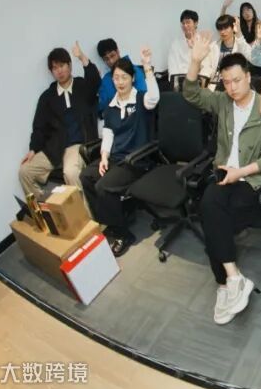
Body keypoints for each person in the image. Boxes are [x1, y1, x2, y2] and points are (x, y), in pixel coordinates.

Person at [182, 37, 261, 325]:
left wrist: (240, 173)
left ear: (249, 78)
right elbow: (190, 94)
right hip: (223, 174)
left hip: (251, 179)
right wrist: (195, 61)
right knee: (213, 213)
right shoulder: (223, 101)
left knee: (210, 207)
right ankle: (231, 280)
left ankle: (226, 282)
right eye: (226, 82)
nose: (231, 87)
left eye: (237, 81)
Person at [79, 49, 159, 256]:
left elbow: (154, 97)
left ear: (132, 78)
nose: (120, 82)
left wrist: (147, 67)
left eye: (124, 77)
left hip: (136, 160)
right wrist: (104, 157)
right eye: (116, 78)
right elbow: (108, 134)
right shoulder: (111, 106)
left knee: (103, 187)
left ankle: (124, 234)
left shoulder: (141, 99)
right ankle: (110, 221)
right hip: (116, 158)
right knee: (86, 176)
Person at [20, 43, 100, 198]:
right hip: (55, 148)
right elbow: (39, 127)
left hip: (77, 146)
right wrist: (33, 149)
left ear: (69, 65)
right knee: (25, 171)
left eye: (62, 65)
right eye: (55, 68)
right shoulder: (47, 97)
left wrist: (82, 57)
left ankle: (83, 213)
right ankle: (44, 208)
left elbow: (95, 81)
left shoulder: (82, 86)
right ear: (51, 72)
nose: (59, 71)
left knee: (70, 172)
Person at [167, 10, 218, 83]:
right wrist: (177, 82)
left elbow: (207, 67)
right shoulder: (176, 44)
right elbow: (172, 67)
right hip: (181, 81)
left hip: (200, 81)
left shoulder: (203, 41)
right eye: (183, 23)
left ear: (196, 23)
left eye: (188, 22)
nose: (185, 25)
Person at [96, 38, 145, 108]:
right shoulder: (106, 80)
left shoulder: (134, 71)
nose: (111, 61)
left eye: (112, 55)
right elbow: (102, 106)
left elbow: (143, 98)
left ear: (118, 52)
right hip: (113, 113)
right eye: (106, 59)